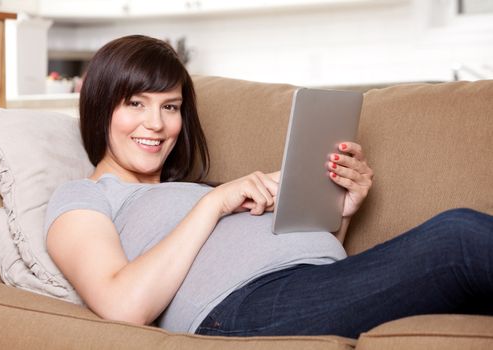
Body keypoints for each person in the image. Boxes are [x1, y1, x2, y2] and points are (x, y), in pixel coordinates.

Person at [44, 35, 493, 339]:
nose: (156, 124)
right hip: (237, 309)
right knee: (456, 238)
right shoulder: (84, 196)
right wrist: (215, 204)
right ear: (101, 106)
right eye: (136, 103)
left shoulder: (191, 189)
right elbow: (123, 306)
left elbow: (307, 264)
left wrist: (342, 213)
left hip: (310, 283)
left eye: (171, 106)